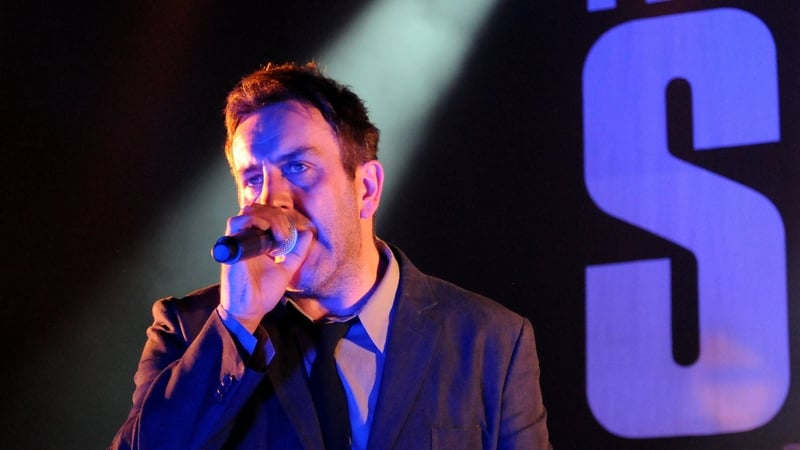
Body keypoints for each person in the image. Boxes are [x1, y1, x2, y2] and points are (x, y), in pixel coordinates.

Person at [109, 61, 551, 449]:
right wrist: (237, 324)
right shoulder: (189, 329)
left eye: (298, 167)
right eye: (252, 178)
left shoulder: (490, 340)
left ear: (367, 189)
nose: (272, 200)